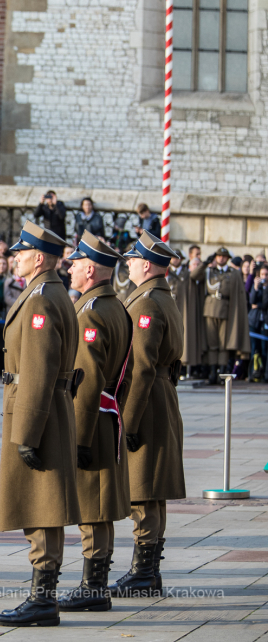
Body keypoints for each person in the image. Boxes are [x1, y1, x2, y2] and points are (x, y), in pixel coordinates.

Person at [0, 221, 80, 628]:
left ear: (39, 258)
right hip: (44, 409)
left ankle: (42, 600)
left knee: (41, 506)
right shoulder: (47, 292)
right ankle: (42, 596)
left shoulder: (42, 299)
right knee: (41, 506)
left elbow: (39, 370)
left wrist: (26, 432)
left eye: (21, 252)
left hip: (37, 413)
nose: (15, 258)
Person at [58, 232, 132, 613]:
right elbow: (128, 373)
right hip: (108, 416)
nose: (69, 268)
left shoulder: (90, 312)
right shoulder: (116, 306)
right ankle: (96, 584)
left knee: (92, 508)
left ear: (90, 268)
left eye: (75, 262)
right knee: (100, 508)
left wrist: (80, 438)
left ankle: (93, 588)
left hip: (92, 422)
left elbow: (85, 381)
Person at [110, 230, 184, 597]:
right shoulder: (159, 297)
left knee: (143, 490)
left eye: (131, 259)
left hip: (148, 403)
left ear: (146, 264)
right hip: (161, 397)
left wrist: (130, 421)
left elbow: (141, 368)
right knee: (152, 491)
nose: (127, 264)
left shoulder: (146, 303)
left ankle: (143, 571)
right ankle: (149, 571)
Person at [192, 247, 250, 384]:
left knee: (223, 344)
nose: (221, 259)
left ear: (228, 259)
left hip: (225, 311)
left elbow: (239, 293)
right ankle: (212, 372)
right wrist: (205, 263)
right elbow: (193, 276)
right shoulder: (208, 271)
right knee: (212, 344)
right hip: (210, 310)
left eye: (224, 256)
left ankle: (222, 372)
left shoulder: (233, 273)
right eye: (218, 256)